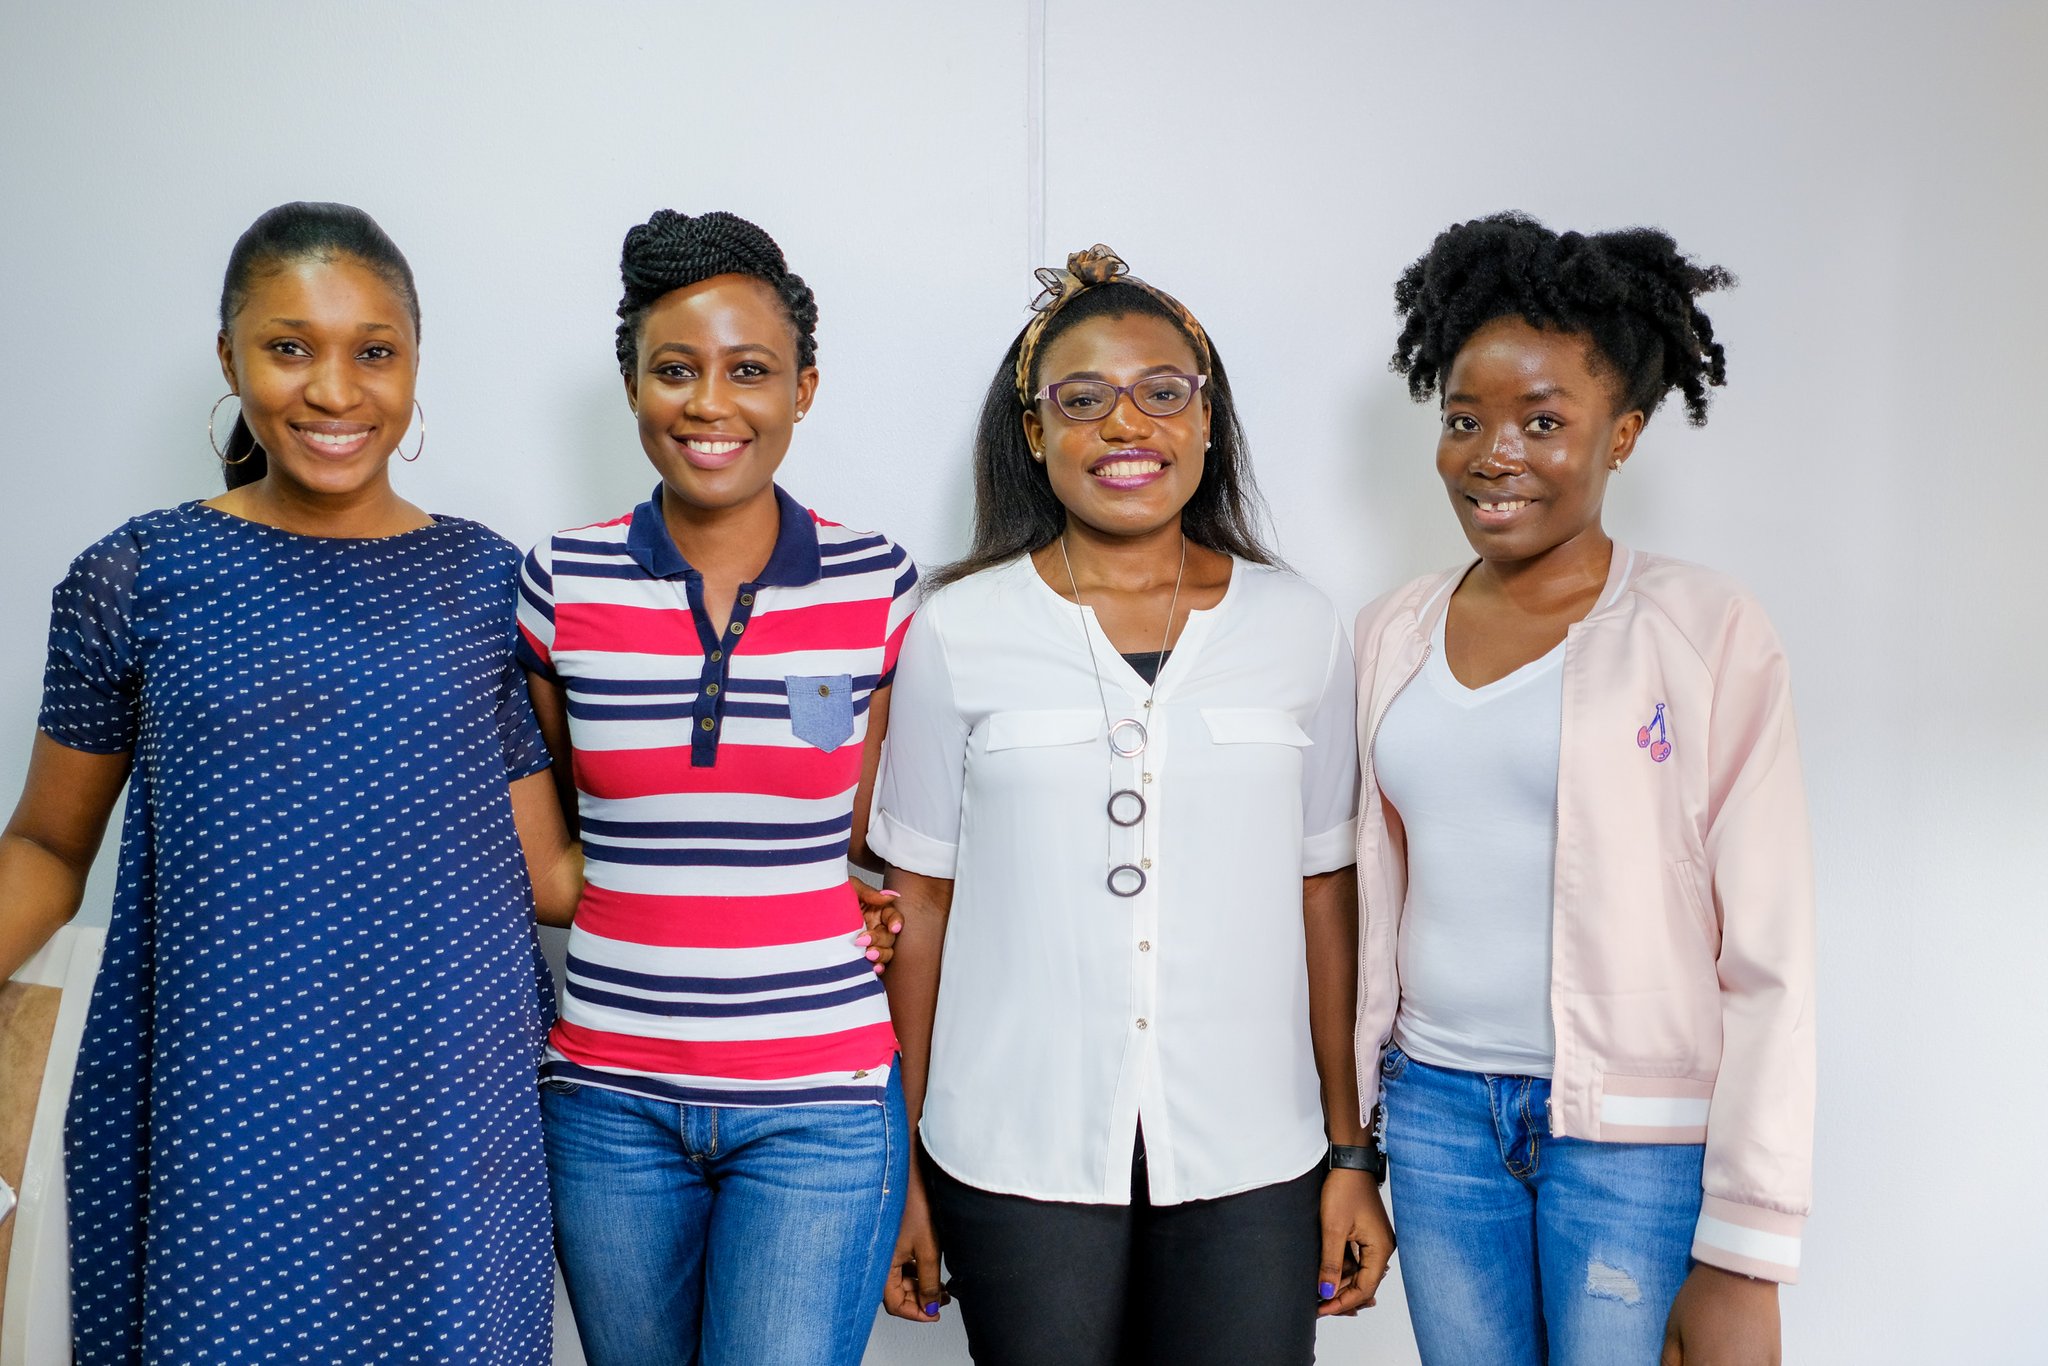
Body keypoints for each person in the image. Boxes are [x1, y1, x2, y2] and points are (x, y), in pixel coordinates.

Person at [0, 201, 581, 1363]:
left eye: (374, 351)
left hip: (448, 1115)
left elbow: (551, 878)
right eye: (288, 346)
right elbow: (51, 850)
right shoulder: (136, 576)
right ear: (229, 358)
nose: (333, 390)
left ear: (415, 363)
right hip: (219, 1114)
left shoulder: (487, 586)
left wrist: (800, 900)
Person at [873, 246, 1393, 1366]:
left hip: (1253, 1151)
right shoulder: (956, 629)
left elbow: (1323, 898)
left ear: (1207, 422)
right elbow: (916, 902)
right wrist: (897, 1169)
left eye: (1162, 392)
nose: (1126, 425)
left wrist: (1349, 1155)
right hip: (1011, 1146)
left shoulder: (1299, 626)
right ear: (1033, 430)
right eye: (1082, 399)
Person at [1355, 211, 1814, 1365]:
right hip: (1437, 1113)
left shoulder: (1703, 630)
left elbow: (1768, 951)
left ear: (1623, 433)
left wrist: (1745, 1253)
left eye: (1541, 421)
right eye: (1464, 420)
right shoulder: (1389, 634)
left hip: (1634, 1140)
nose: (1491, 452)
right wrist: (1352, 1146)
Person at [519, 209, 916, 1366]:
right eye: (674, 370)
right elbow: (563, 838)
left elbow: (862, 828)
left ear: (804, 387)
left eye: (749, 372)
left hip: (821, 1104)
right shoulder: (561, 579)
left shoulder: (873, 583)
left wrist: (855, 898)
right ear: (631, 383)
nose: (709, 405)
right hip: (606, 1105)